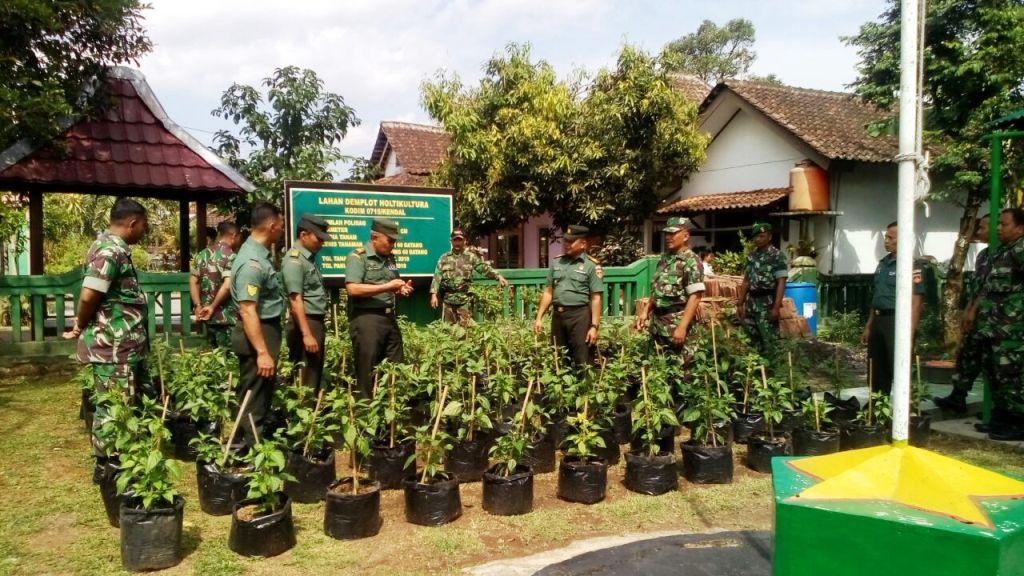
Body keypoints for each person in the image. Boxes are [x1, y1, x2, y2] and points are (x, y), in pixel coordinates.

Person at [63, 198, 153, 459]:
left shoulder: (111, 248)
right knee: (114, 408)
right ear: (133, 223)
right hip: (114, 346)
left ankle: (121, 459)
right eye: (143, 226)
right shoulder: (110, 252)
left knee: (124, 404)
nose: (144, 231)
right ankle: (109, 466)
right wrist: (80, 323)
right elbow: (89, 296)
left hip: (122, 345)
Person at [230, 203, 286, 448]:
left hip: (264, 330)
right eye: (281, 226)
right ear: (272, 226)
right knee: (254, 393)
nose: (282, 230)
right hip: (258, 333)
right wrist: (262, 352)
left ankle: (248, 444)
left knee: (260, 390)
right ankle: (252, 449)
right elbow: (247, 309)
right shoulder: (252, 263)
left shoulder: (259, 255)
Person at [968, 208, 1024, 440]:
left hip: (1013, 330)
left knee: (1012, 377)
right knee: (996, 375)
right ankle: (1002, 420)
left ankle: (1019, 424)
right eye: (998, 223)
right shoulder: (1002, 251)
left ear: (1020, 228)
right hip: (994, 326)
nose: (998, 228)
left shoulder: (1021, 250)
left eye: (1004, 224)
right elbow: (988, 287)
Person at [346, 218, 413, 397]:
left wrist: (400, 289)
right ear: (375, 237)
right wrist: (387, 286)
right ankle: (366, 411)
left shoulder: (390, 258)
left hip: (389, 317)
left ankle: (391, 407)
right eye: (389, 241)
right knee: (367, 370)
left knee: (395, 366)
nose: (393, 245)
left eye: (394, 241)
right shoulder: (358, 257)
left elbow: (391, 284)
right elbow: (352, 289)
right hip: (367, 319)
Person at [934, 215, 991, 416]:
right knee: (967, 357)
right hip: (979, 318)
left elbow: (989, 289)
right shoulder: (984, 255)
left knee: (997, 366)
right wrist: (968, 310)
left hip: (998, 319)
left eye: (982, 228)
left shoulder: (1010, 254)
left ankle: (1002, 410)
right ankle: (957, 398)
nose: (978, 232)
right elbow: (977, 287)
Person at [860, 221, 925, 396]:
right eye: (885, 237)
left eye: (891, 238)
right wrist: (868, 326)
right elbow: (877, 297)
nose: (886, 241)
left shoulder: (912, 265)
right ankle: (878, 404)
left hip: (897, 321)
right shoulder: (883, 263)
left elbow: (916, 303)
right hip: (878, 320)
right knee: (876, 366)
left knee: (899, 365)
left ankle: (906, 405)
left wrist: (910, 333)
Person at [534, 225, 603, 369]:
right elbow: (548, 292)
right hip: (558, 317)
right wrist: (539, 318)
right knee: (558, 358)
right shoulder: (557, 262)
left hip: (579, 317)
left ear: (583, 244)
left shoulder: (591, 266)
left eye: (571, 241)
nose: (567, 244)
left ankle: (584, 384)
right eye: (566, 241)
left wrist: (594, 326)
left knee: (583, 360)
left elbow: (596, 298)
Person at [635, 217, 705, 350]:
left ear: (686, 236)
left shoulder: (691, 261)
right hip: (658, 325)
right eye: (667, 233)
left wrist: (682, 327)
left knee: (680, 363)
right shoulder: (665, 259)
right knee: (659, 361)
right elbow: (657, 290)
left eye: (673, 233)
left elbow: (695, 297)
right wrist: (645, 311)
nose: (668, 237)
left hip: (676, 326)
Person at [283, 214, 332, 395]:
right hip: (305, 322)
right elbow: (295, 300)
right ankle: (304, 409)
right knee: (306, 376)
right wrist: (307, 334)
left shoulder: (308, 259)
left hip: (312, 321)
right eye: (318, 239)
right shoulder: (294, 260)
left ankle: (309, 407)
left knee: (313, 372)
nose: (322, 243)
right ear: (303, 235)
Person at [430, 227, 508, 325]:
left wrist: (498, 276)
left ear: (464, 241)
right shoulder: (444, 258)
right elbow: (437, 276)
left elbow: (483, 268)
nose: (457, 243)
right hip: (448, 301)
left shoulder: (470, 257)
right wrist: (434, 295)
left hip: (464, 300)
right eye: (455, 240)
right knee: (447, 329)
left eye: (460, 240)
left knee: (465, 328)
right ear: (451, 241)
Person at [736, 222, 788, 352]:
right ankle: (757, 363)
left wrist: (776, 307)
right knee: (751, 340)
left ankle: (774, 364)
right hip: (751, 303)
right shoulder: (751, 256)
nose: (758, 239)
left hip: (767, 303)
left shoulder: (777, 256)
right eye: (756, 236)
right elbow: (746, 280)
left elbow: (781, 282)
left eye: (762, 236)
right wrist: (740, 303)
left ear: (769, 237)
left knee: (770, 341)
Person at [190, 221, 241, 348]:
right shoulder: (232, 257)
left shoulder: (201, 255)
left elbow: (193, 281)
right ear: (234, 235)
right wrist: (213, 306)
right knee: (228, 355)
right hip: (227, 318)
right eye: (239, 237)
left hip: (207, 317)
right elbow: (227, 285)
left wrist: (198, 306)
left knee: (213, 355)